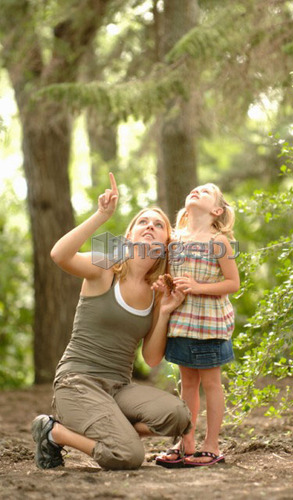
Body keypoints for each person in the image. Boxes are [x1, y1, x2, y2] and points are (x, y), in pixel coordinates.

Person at [31, 173, 191, 471]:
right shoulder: (105, 266)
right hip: (77, 382)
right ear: (130, 235)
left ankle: (113, 428)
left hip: (119, 389)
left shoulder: (158, 292)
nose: (150, 226)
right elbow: (59, 254)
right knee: (128, 456)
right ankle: (54, 431)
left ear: (165, 244)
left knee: (179, 416)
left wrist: (167, 309)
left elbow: (152, 357)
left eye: (159, 225)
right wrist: (101, 215)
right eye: (143, 221)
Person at [154, 183, 240, 468]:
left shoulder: (219, 242)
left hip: (209, 324)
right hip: (181, 324)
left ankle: (211, 444)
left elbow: (233, 284)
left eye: (205, 192)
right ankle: (186, 441)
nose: (195, 191)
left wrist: (198, 286)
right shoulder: (174, 241)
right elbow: (171, 277)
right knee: (187, 384)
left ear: (216, 210)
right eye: (194, 189)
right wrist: (164, 287)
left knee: (211, 383)